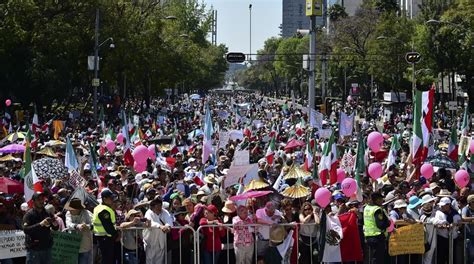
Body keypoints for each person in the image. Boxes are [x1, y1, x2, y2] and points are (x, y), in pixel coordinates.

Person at [23, 192, 59, 264]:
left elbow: (56, 228)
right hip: (34, 250)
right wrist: (41, 224)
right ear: (33, 201)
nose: (41, 201)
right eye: (38, 199)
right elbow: (26, 230)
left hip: (47, 249)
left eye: (42, 199)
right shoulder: (29, 214)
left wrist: (55, 224)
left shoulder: (47, 213)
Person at [143, 196, 173, 264]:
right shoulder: (148, 212)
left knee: (159, 262)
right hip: (150, 242)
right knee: (150, 261)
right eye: (158, 205)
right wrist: (160, 226)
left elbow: (169, 220)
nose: (160, 207)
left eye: (160, 205)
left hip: (161, 242)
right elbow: (150, 222)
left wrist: (167, 226)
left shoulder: (164, 212)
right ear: (153, 206)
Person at [92, 189, 118, 264]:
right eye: (110, 198)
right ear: (104, 199)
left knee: (106, 260)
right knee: (107, 260)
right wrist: (116, 235)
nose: (112, 200)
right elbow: (108, 227)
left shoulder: (98, 207)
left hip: (103, 239)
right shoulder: (104, 210)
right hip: (106, 239)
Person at [433, 197, 461, 264]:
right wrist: (447, 226)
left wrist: (457, 224)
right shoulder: (438, 213)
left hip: (453, 238)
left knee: (452, 257)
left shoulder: (455, 213)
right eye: (441, 205)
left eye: (444, 205)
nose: (441, 206)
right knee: (441, 258)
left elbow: (460, 224)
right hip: (442, 238)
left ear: (448, 205)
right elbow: (436, 225)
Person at [363, 192, 390, 264]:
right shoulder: (377, 209)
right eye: (381, 199)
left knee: (372, 258)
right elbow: (380, 225)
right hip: (377, 237)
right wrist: (388, 222)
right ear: (377, 200)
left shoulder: (366, 207)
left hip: (368, 236)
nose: (382, 201)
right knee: (378, 259)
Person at [65, 198, 93, 264]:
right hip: (73, 244)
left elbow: (93, 225)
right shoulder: (68, 213)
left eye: (71, 208)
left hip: (85, 245)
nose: (69, 209)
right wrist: (76, 226)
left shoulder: (87, 213)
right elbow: (68, 224)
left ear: (78, 209)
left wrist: (87, 226)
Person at [462, 194, 474, 264]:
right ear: (469, 202)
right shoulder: (465, 209)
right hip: (469, 235)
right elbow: (463, 218)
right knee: (471, 253)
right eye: (473, 202)